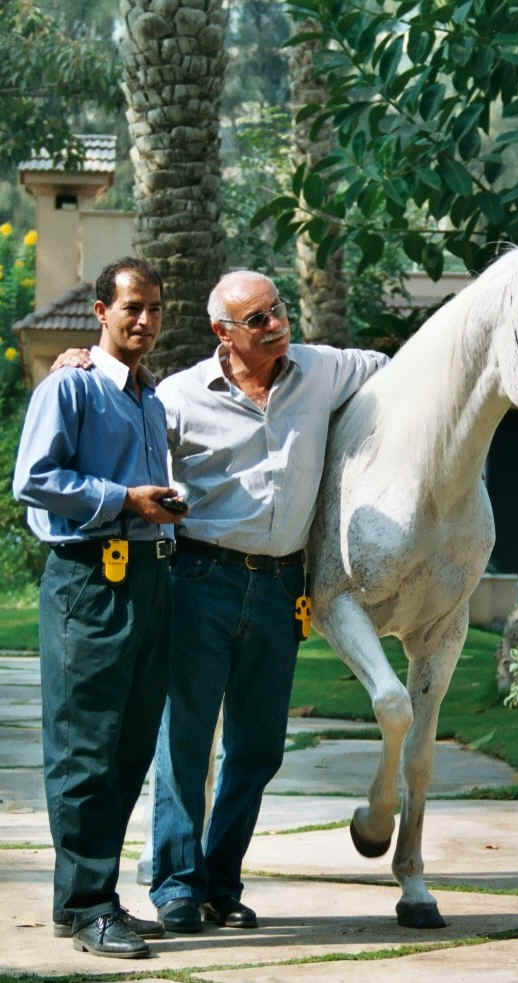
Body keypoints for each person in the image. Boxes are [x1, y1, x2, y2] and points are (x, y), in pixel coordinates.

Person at [148, 271, 388, 933]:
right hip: (201, 579)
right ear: (222, 333)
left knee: (258, 749)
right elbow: (126, 433)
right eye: (257, 319)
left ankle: (220, 884)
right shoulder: (179, 396)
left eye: (277, 309)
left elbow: (395, 369)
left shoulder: (323, 369)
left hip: (283, 587)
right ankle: (175, 885)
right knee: (185, 741)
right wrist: (80, 363)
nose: (276, 324)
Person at [12, 258, 184, 958]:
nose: (144, 320)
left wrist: (159, 506)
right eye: (131, 307)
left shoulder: (149, 399)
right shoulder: (71, 386)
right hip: (90, 580)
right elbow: (34, 479)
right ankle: (87, 906)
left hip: (150, 579)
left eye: (154, 308)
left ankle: (89, 898)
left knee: (128, 747)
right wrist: (125, 500)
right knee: (84, 747)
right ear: (101, 311)